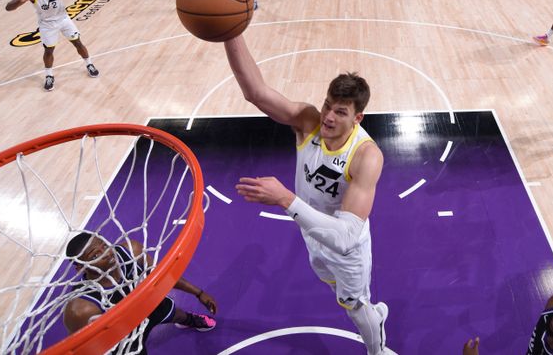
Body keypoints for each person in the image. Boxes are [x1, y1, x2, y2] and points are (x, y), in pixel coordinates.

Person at [226, 35, 394, 355]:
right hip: (313, 233)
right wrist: (231, 33)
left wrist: (285, 199)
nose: (328, 117)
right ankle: (372, 313)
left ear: (357, 118)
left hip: (348, 248)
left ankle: (378, 348)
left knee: (355, 307)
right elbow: (256, 92)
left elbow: (345, 237)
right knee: (340, 295)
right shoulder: (308, 121)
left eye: (340, 112)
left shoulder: (366, 156)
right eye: (328, 105)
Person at [63, 231, 217, 354]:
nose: (108, 253)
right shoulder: (81, 309)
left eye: (105, 246)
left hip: (145, 304)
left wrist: (199, 293)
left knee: (175, 313)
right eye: (96, 255)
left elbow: (163, 276)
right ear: (81, 268)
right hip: (123, 334)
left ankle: (189, 320)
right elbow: (81, 348)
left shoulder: (131, 252)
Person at [5, 0, 99, 91]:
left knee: (77, 42)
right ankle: (49, 75)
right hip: (47, 25)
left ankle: (89, 64)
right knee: (49, 50)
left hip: (63, 20)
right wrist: (19, 1)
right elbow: (8, 8)